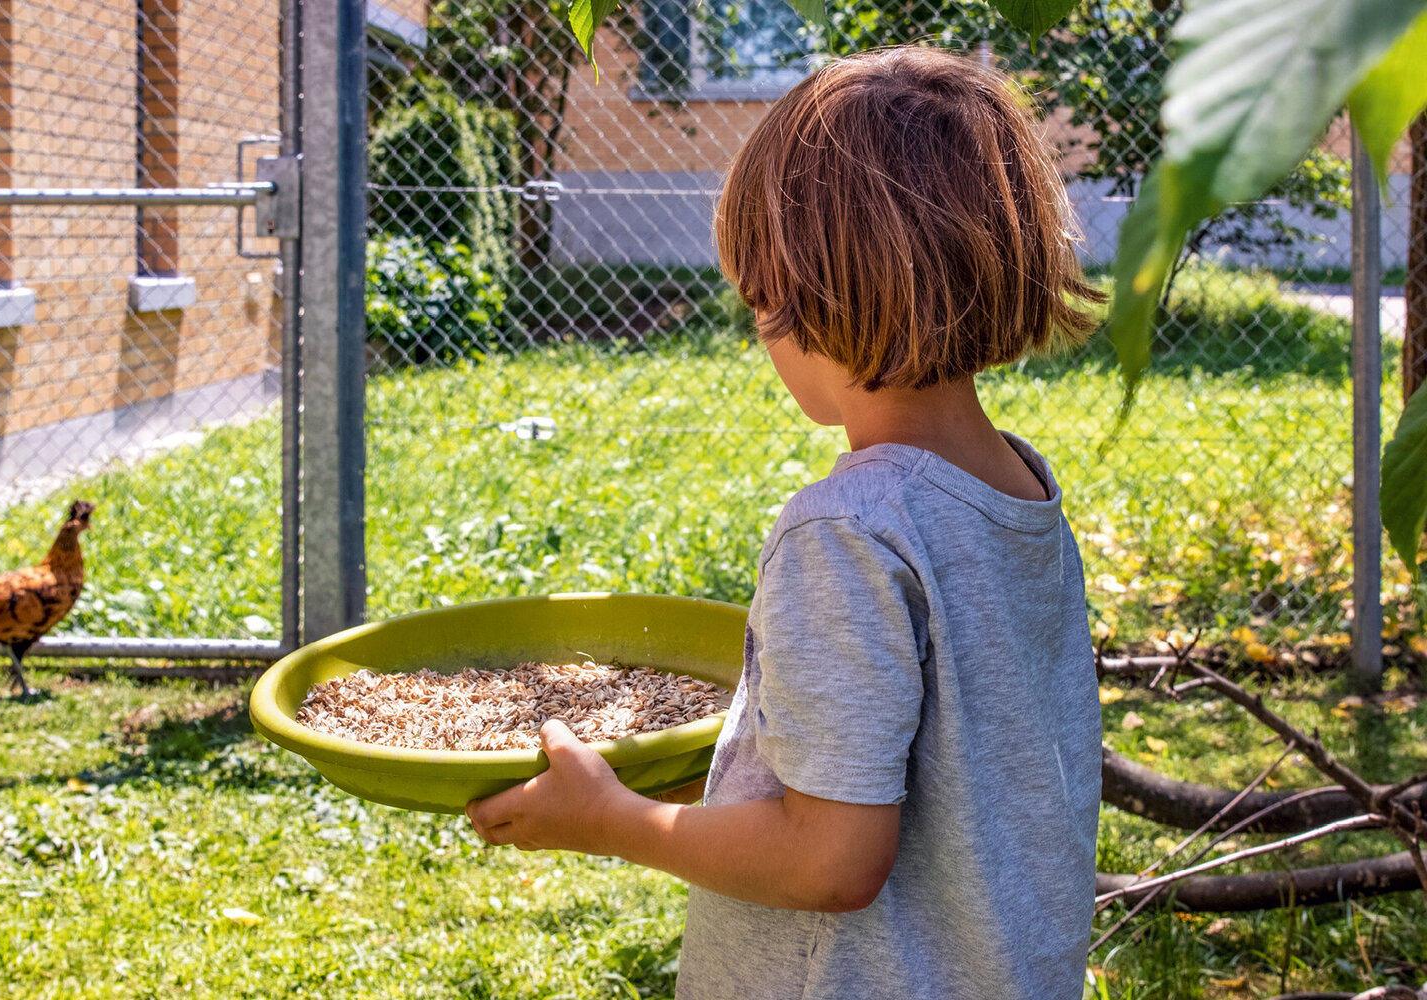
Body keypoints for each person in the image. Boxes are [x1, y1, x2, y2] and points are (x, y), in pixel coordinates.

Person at [464, 45, 1104, 999]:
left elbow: (831, 861)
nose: (760, 329)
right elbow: (930, 771)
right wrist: (676, 784)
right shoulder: (1017, 492)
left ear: (820, 298)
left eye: (761, 302)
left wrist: (612, 825)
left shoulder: (845, 532)